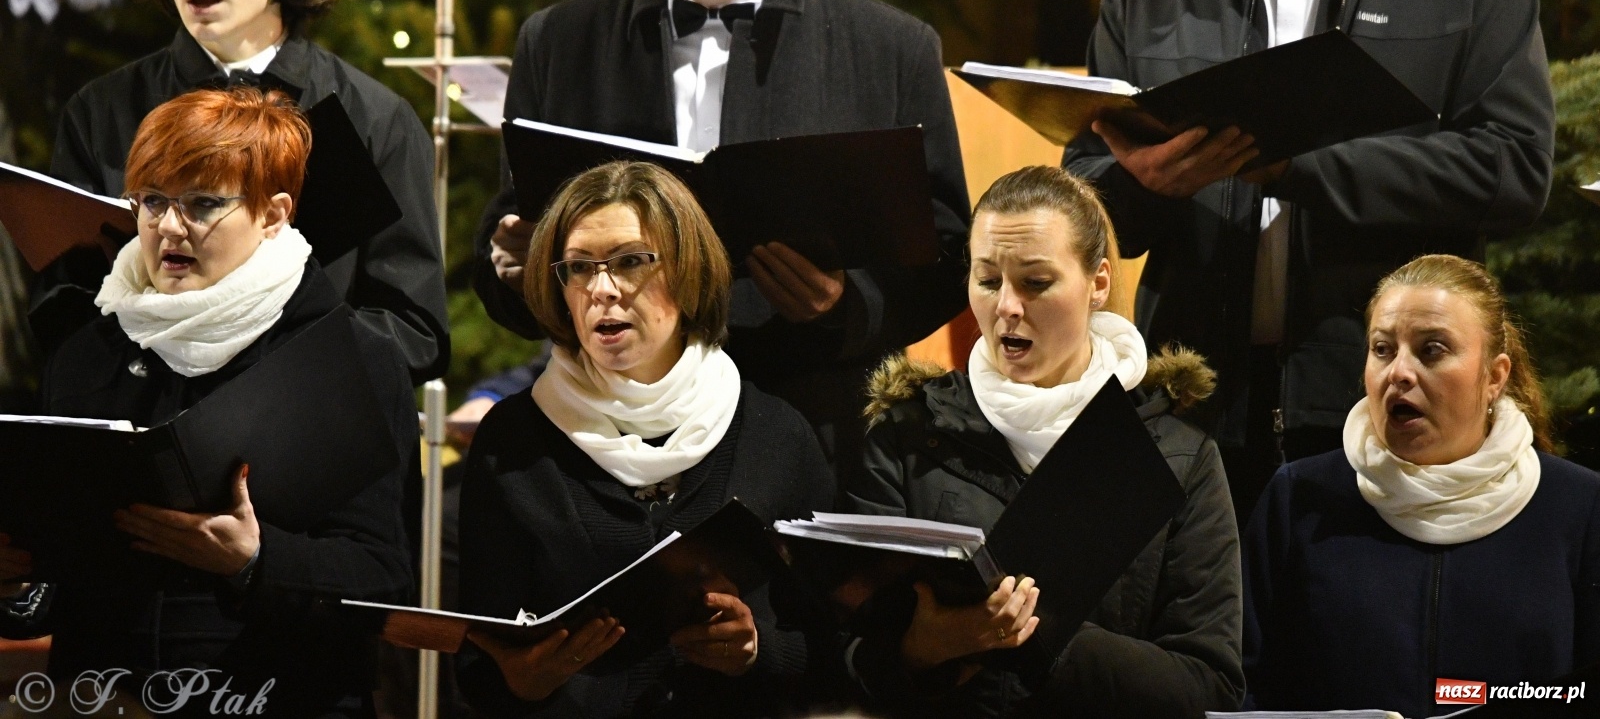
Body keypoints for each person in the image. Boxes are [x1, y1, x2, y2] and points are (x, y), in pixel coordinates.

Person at [1062, 0, 1555, 520]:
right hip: (1192, 402)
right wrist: (1142, 183)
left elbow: (1515, 166)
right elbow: (1086, 191)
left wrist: (1303, 166)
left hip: (1378, 412)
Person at [472, 0, 970, 467]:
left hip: (810, 429)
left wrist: (844, 303)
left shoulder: (889, 48)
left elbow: (947, 253)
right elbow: (510, 235)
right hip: (607, 434)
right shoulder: (560, 41)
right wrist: (514, 266)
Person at [0, 88, 418, 717]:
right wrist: (19, 582)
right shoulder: (90, 350)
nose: (169, 226)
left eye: (202, 204)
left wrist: (255, 559)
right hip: (104, 695)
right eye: (153, 201)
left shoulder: (352, 355)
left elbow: (384, 578)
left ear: (274, 215)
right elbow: (61, 573)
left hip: (279, 693)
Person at [34, 0, 449, 384]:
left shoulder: (368, 117)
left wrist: (267, 379)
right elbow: (65, 307)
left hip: (310, 438)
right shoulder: (106, 112)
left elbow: (413, 328)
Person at [843, 166, 1243, 719]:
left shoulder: (1178, 457)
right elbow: (849, 660)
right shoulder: (906, 435)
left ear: (1098, 283)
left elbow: (1208, 688)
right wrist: (924, 648)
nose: (1007, 305)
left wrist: (1034, 636)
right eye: (987, 281)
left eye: (1035, 282)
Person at [456, 161, 837, 718]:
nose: (603, 290)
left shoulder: (775, 435)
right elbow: (478, 666)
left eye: (631, 261)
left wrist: (758, 650)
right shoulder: (513, 444)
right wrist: (521, 682)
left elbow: (836, 643)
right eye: (579, 268)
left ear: (689, 270)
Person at [1242, 254, 1600, 716]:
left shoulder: (1580, 507)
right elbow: (1247, 685)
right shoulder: (1301, 497)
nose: (1400, 373)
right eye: (1383, 349)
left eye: (1432, 350)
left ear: (1494, 377)